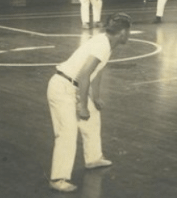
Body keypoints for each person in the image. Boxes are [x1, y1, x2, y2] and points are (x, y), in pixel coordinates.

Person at [47, 13, 132, 193]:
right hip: (63, 87)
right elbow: (84, 75)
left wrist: (95, 97)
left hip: (74, 85)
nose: (129, 35)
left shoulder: (106, 42)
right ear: (123, 32)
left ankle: (93, 158)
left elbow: (97, 71)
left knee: (93, 116)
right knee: (67, 132)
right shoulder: (102, 45)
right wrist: (82, 106)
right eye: (128, 32)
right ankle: (58, 178)